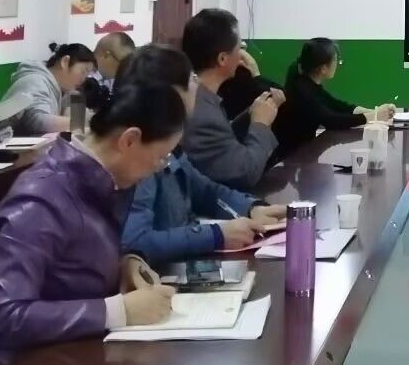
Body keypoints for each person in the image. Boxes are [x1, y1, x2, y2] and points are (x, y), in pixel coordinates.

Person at [0, 46, 184, 365]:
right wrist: (118, 311)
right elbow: (5, 316)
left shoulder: (97, 182)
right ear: (129, 140)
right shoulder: (40, 198)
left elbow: (71, 264)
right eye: (160, 157)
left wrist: (124, 265)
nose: (159, 168)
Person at [122, 63, 286, 269]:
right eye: (191, 78)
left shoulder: (171, 145)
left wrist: (252, 208)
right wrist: (215, 236)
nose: (197, 83)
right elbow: (134, 243)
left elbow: (206, 191)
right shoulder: (141, 156)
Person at [180, 8, 285, 193]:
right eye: (240, 47)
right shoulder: (200, 109)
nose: (243, 55)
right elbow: (245, 173)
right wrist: (261, 124)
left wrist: (251, 114)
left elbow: (222, 141)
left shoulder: (201, 95)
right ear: (223, 58)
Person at [272, 38, 395, 156]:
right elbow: (332, 120)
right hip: (292, 157)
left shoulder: (309, 85)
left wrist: (375, 113)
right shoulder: (303, 91)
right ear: (323, 68)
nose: (337, 64)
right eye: (336, 60)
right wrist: (374, 116)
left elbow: (339, 106)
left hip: (302, 151)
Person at [2, 43, 97, 135]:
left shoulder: (63, 88)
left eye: (87, 75)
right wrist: (88, 123)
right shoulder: (35, 80)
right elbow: (38, 121)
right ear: (65, 62)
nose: (83, 79)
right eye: (83, 72)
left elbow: (73, 117)